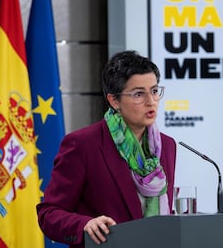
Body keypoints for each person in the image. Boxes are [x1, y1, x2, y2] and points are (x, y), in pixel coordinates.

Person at [37, 51, 177, 247]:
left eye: (154, 91)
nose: (150, 101)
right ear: (114, 100)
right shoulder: (82, 145)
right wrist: (84, 224)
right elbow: (49, 214)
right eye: (138, 94)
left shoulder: (167, 146)